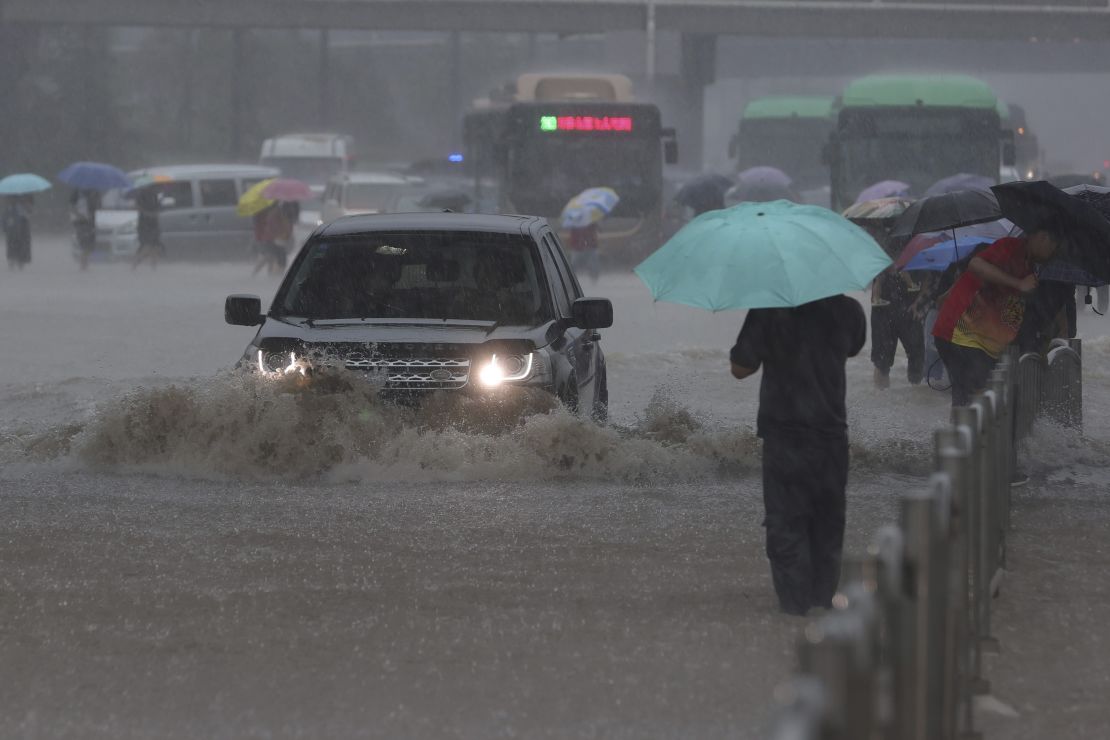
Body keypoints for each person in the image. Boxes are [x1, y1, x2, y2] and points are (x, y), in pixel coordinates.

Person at [729, 294, 867, 616]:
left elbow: (740, 368)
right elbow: (854, 347)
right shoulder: (848, 309)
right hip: (831, 437)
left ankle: (794, 612)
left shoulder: (768, 309)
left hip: (784, 438)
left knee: (786, 524)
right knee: (828, 525)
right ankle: (822, 608)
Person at [932, 227, 1061, 406]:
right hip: (963, 334)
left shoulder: (1029, 265)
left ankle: (963, 431)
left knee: (972, 400)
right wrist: (1018, 283)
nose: (1053, 253)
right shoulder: (1011, 247)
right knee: (973, 399)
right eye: (1054, 246)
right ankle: (962, 432)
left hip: (981, 341)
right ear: (1043, 237)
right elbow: (976, 265)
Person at [131, 186, 164, 270]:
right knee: (147, 246)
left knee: (155, 246)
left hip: (154, 223)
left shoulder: (155, 195)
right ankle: (135, 264)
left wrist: (158, 208)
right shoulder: (140, 195)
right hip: (144, 224)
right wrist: (147, 213)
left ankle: (154, 267)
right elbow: (137, 206)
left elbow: (158, 207)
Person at [70, 189, 100, 271]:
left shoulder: (95, 192)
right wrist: (81, 216)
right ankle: (83, 266)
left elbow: (97, 207)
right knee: (85, 245)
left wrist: (94, 198)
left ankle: (84, 264)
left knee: (91, 246)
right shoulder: (76, 193)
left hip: (91, 222)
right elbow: (72, 207)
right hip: (81, 222)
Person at [3, 194, 32, 270]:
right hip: (11, 231)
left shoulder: (21, 209)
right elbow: (4, 219)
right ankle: (13, 262)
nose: (12, 201)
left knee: (19, 246)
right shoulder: (9, 209)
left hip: (19, 232)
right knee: (12, 247)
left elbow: (26, 220)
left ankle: (19, 262)